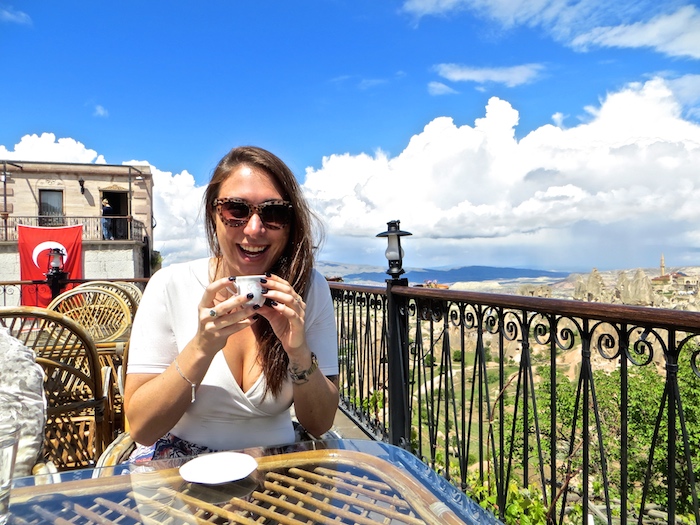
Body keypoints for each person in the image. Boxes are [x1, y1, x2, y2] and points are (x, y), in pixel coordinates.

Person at [124, 146, 339, 459]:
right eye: (236, 210)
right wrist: (201, 347)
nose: (254, 228)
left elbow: (319, 423)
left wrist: (298, 351)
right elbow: (142, 428)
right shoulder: (169, 286)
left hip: (279, 469)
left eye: (274, 212)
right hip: (182, 466)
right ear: (214, 214)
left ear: (290, 224)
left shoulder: (309, 289)